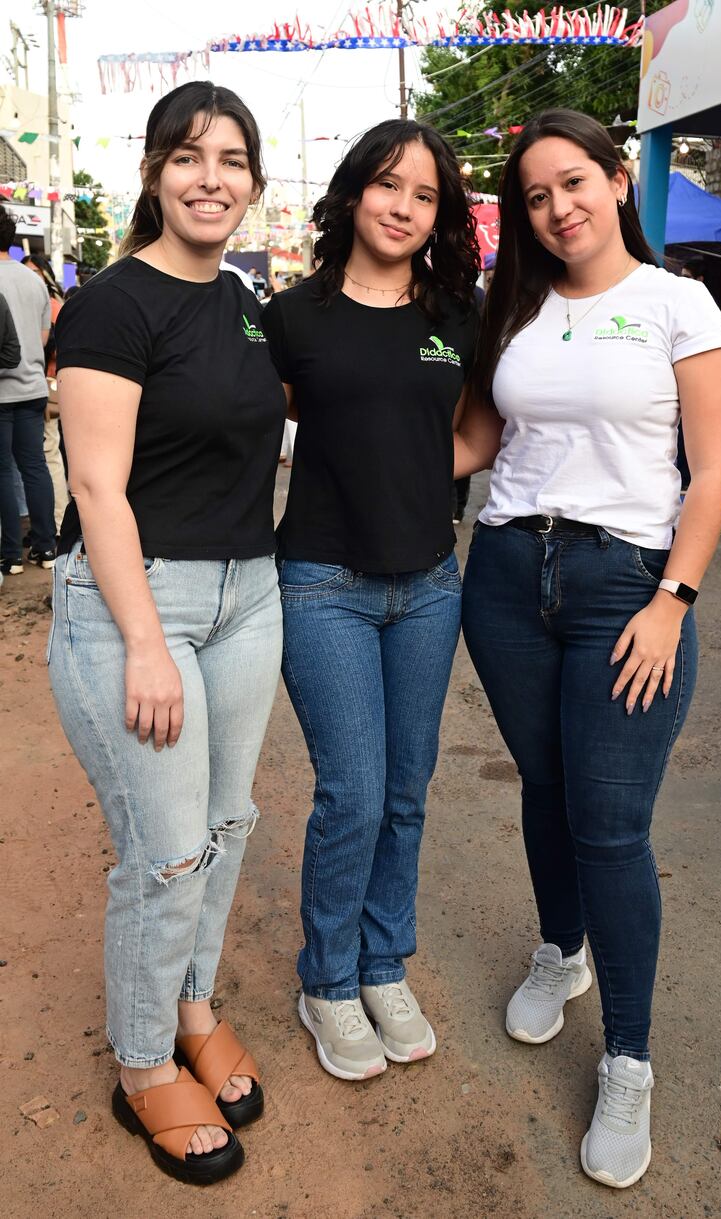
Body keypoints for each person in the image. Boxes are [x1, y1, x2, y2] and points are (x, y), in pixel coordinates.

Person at [456, 109, 721, 1189]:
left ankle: (627, 1058)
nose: (556, 207)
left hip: (624, 585)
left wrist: (672, 598)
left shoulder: (676, 303)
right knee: (541, 785)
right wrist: (352, 455)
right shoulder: (512, 308)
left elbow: (709, 471)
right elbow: (479, 440)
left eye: (571, 183)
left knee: (609, 825)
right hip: (503, 578)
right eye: (534, 196)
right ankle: (557, 948)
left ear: (616, 182)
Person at [48, 81, 286, 1185]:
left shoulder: (241, 301)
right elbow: (97, 485)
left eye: (231, 159)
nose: (211, 178)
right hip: (139, 603)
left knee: (228, 823)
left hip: (248, 596)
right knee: (168, 849)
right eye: (188, 157)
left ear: (252, 181)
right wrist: (145, 640)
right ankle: (144, 1063)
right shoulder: (112, 302)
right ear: (154, 172)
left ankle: (192, 1008)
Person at [262, 118, 479, 1081]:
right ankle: (330, 979)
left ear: (440, 215)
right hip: (324, 585)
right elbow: (255, 424)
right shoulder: (293, 315)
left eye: (425, 195)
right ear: (354, 192)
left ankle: (385, 962)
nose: (403, 207)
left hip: (431, 584)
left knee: (406, 790)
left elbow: (481, 432)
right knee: (351, 791)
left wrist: (422, 479)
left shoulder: (455, 313)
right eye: (390, 185)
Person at [0, 206, 57, 575]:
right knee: (34, 465)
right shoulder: (33, 279)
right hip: (33, 386)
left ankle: (10, 554)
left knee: (3, 470)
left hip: (2, 392)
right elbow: (42, 338)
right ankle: (46, 546)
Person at [22, 254, 69, 535]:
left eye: (34, 272)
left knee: (48, 455)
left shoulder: (52, 307)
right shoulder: (45, 304)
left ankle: (58, 522)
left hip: (46, 389)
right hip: (37, 387)